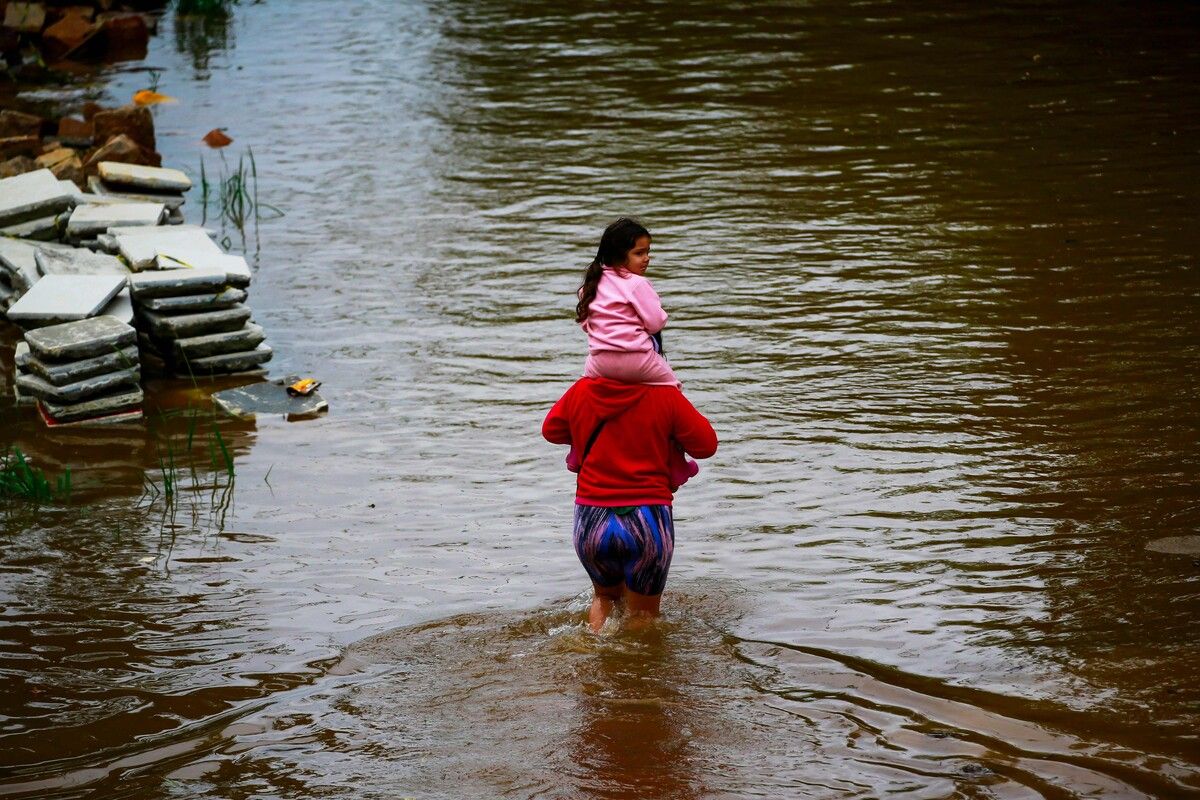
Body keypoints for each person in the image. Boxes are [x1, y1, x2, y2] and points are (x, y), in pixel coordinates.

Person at [542, 377, 717, 632]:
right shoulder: (665, 395)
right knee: (643, 614)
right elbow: (706, 446)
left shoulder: (582, 389)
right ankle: (637, 670)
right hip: (647, 519)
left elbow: (552, 431)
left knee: (604, 597)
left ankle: (592, 653)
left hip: (591, 520)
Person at [569, 217, 699, 488]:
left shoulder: (590, 286)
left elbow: (586, 323)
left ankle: (578, 453)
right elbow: (654, 323)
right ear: (619, 255)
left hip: (599, 361)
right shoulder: (638, 285)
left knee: (585, 397)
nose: (647, 258)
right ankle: (677, 464)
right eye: (639, 253)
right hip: (637, 359)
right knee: (673, 393)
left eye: (648, 251)